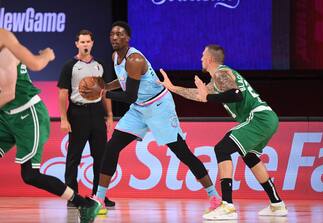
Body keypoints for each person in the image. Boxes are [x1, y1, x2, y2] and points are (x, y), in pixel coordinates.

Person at [80, 21, 221, 215]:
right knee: (112, 147)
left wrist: (103, 93)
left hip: (159, 107)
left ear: (128, 38)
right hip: (139, 109)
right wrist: (104, 86)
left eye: (120, 34)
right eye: (112, 34)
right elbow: (123, 82)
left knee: (182, 153)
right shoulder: (115, 57)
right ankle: (100, 199)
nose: (115, 37)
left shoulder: (135, 59)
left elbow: (130, 95)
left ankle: (214, 197)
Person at [159, 44, 289, 220]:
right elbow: (199, 95)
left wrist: (209, 97)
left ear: (210, 59)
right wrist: (173, 88)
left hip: (259, 117)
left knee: (222, 149)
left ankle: (227, 205)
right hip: (265, 119)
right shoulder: (217, 79)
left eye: (203, 55)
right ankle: (277, 204)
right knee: (249, 156)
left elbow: (236, 95)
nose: (200, 58)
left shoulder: (221, 72)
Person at [0, 28, 101, 223]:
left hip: (27, 116)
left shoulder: (4, 51)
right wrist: (45, 55)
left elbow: (8, 95)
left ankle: (85, 204)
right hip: (6, 115)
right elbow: (35, 63)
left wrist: (43, 57)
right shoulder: (6, 36)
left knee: (30, 175)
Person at [57, 29, 115, 208]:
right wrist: (63, 119)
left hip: (97, 113)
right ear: (77, 44)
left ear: (92, 43)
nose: (85, 45)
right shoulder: (69, 66)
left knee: (101, 157)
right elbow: (62, 93)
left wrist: (110, 115)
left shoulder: (100, 65)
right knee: (74, 157)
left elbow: (105, 92)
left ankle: (99, 197)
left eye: (88, 41)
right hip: (77, 113)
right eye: (82, 42)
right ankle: (72, 197)